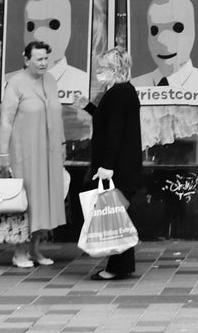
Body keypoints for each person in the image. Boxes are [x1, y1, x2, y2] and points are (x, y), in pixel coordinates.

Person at [73, 47, 142, 281]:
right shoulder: (121, 91)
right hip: (123, 165)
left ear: (114, 69)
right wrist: (88, 106)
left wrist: (107, 165)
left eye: (103, 68)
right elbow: (108, 120)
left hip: (118, 166)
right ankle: (121, 266)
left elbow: (115, 131)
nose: (99, 72)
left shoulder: (118, 93)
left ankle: (117, 267)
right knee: (117, 215)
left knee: (114, 215)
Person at [0, 40, 67, 269]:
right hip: (25, 155)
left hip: (49, 153)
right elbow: (6, 121)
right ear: (26, 59)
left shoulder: (50, 80)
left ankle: (36, 248)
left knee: (45, 201)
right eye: (39, 59)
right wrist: (3, 155)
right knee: (26, 202)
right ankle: (19, 252)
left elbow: (57, 114)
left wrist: (63, 143)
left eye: (46, 58)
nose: (43, 63)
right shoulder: (15, 83)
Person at [4, 0, 88, 99]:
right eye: (31, 26)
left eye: (53, 25)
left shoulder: (83, 82)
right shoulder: (9, 83)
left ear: (70, 29)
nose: (38, 35)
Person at [131, 0, 198, 91]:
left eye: (177, 28)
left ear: (193, 32)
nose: (161, 40)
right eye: (154, 30)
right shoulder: (135, 86)